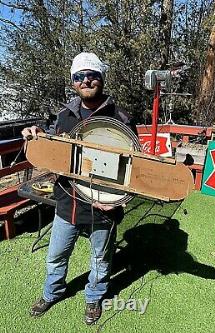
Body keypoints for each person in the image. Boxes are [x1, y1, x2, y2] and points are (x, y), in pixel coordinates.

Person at [22, 52, 136, 325]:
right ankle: (52, 293)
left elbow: (135, 171)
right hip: (68, 202)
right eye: (79, 76)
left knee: (101, 260)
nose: (86, 80)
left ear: (102, 78)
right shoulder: (63, 116)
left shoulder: (121, 118)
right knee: (56, 256)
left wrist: (120, 201)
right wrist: (36, 134)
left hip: (104, 206)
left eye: (92, 74)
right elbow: (52, 143)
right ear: (73, 82)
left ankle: (94, 297)